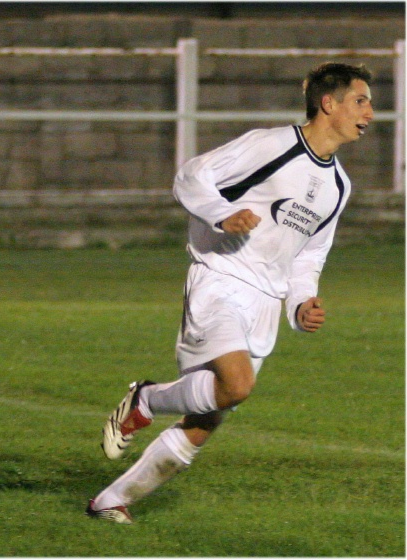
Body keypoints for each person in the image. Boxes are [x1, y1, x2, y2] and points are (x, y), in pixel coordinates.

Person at [87, 62, 374, 524]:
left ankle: (109, 502)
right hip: (220, 277)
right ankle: (145, 399)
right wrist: (221, 216)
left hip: (265, 299)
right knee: (237, 384)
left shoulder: (339, 186)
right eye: (361, 101)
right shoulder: (271, 145)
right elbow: (192, 176)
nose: (370, 113)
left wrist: (301, 301)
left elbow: (309, 253)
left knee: (208, 417)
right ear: (329, 103)